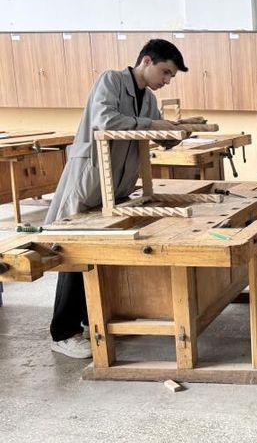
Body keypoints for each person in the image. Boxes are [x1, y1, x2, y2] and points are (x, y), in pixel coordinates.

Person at [48, 39, 189, 358]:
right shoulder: (111, 80)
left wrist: (172, 135)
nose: (166, 81)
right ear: (147, 61)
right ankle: (63, 332)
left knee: (101, 253)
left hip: (117, 188)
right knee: (75, 252)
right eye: (165, 72)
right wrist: (153, 125)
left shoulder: (149, 100)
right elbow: (105, 122)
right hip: (91, 180)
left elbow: (147, 135)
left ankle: (93, 320)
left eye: (171, 77)